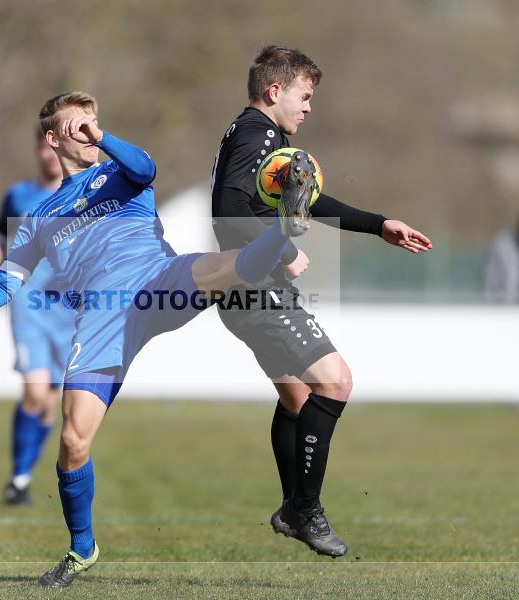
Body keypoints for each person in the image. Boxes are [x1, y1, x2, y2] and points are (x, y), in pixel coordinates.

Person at [0, 91, 320, 588]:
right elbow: (4, 284)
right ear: (53, 138)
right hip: (103, 319)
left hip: (158, 280)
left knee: (221, 266)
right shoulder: (38, 217)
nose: (90, 132)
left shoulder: (118, 171)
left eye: (94, 122)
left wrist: (103, 138)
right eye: (78, 126)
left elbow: (147, 166)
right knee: (73, 440)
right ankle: (82, 550)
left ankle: (284, 229)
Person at [210, 45, 432, 557]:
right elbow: (227, 210)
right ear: (275, 91)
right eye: (303, 96)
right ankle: (303, 510)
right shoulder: (257, 134)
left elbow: (308, 200)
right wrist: (282, 247)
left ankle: (295, 507)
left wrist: (378, 225)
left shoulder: (260, 138)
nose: (308, 107)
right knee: (336, 380)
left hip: (243, 289)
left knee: (296, 398)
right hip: (255, 287)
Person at [0, 128, 73, 505]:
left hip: (69, 308)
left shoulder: (83, 193)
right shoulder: (19, 195)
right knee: (33, 390)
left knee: (48, 402)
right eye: (42, 146)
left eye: (54, 147)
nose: (48, 154)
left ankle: (25, 471)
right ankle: (19, 478)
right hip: (28, 301)